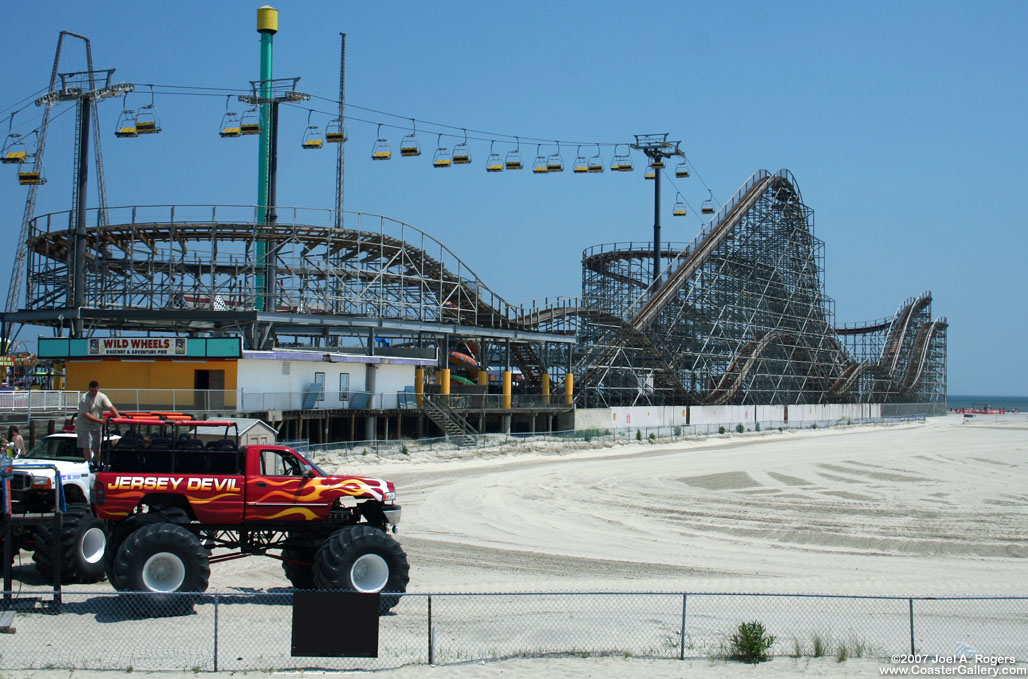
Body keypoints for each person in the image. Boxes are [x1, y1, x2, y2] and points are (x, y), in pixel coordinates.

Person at [76, 380, 120, 467]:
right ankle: (89, 463)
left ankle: (99, 462)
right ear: (89, 389)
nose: (93, 393)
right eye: (92, 391)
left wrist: (118, 417)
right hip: (84, 425)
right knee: (87, 445)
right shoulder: (84, 398)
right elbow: (85, 414)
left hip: (96, 425)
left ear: (98, 389)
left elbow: (110, 407)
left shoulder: (102, 396)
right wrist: (99, 421)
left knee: (97, 445)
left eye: (95, 391)